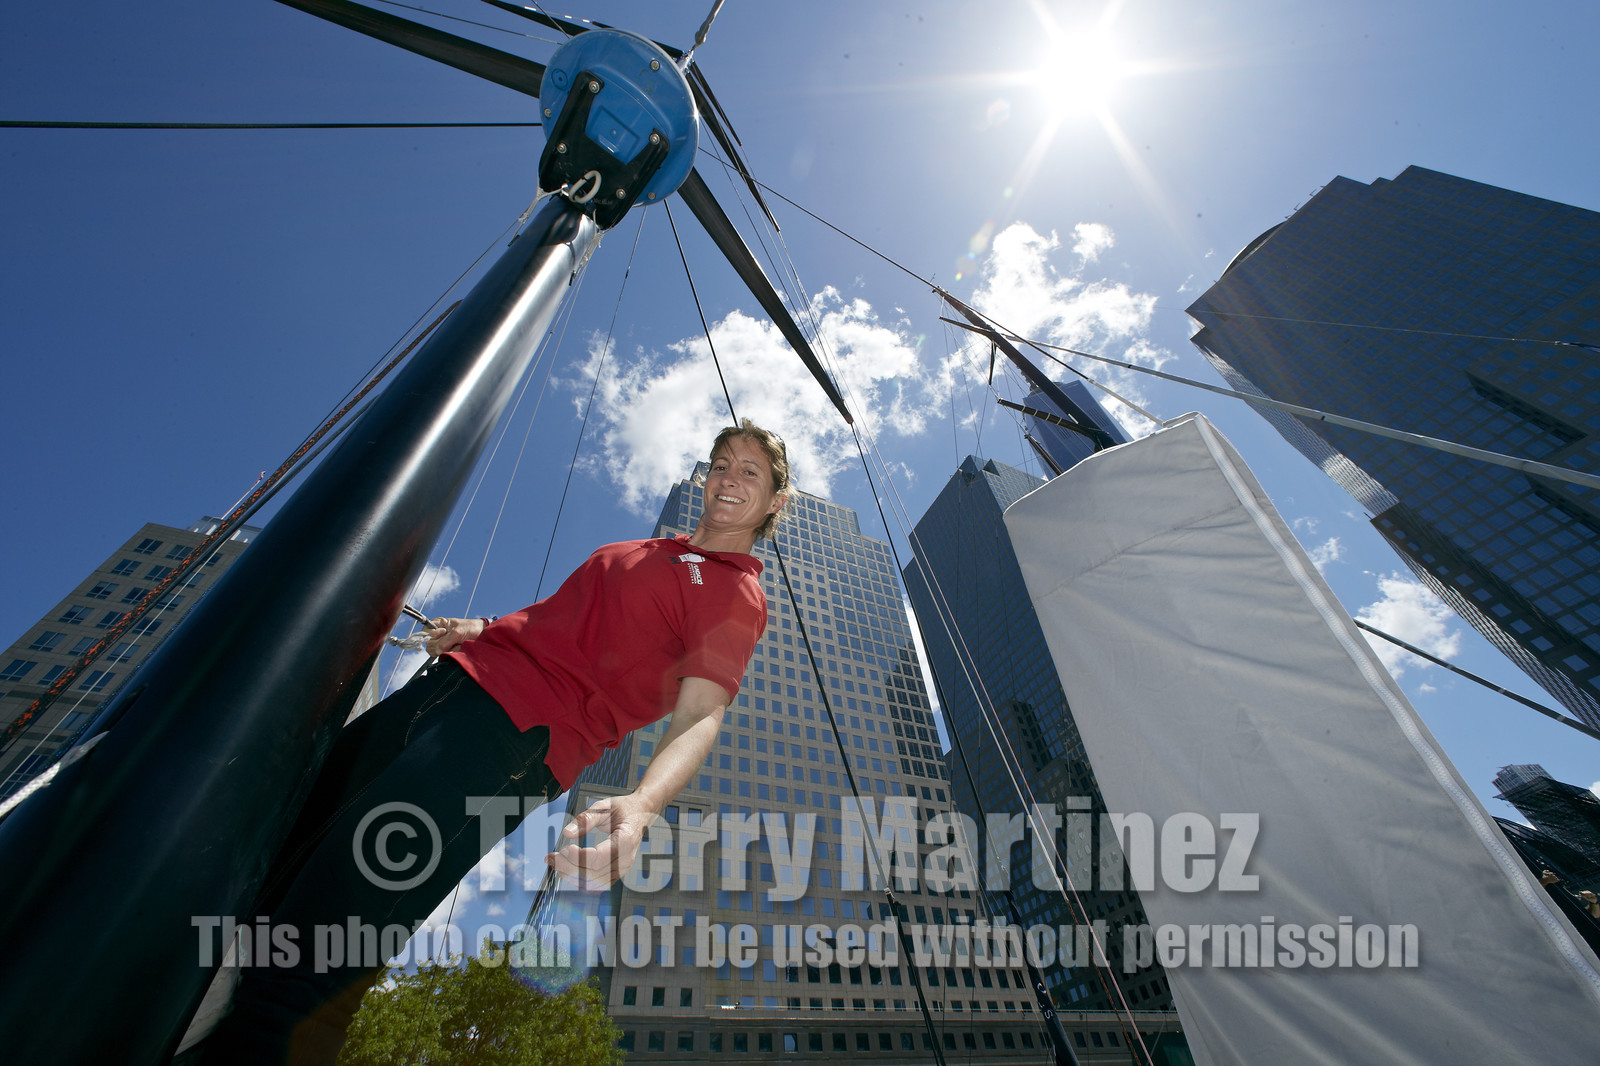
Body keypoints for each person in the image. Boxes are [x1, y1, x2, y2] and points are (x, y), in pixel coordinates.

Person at [199, 419, 788, 1066]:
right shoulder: (649, 551)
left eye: (750, 472)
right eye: (722, 464)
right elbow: (554, 622)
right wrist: (479, 629)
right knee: (276, 869)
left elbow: (703, 712)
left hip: (516, 738)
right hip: (452, 689)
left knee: (336, 921)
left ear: (773, 504)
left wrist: (643, 806)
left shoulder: (734, 589)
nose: (729, 478)